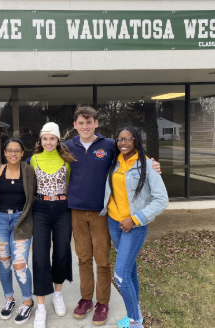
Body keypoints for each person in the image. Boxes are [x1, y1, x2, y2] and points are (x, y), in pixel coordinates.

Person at [64, 106, 161, 325]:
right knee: (83, 258)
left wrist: (152, 165)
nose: (85, 126)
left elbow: (132, 158)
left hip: (102, 212)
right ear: (75, 125)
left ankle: (103, 302)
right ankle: (86, 299)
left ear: (96, 124)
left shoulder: (109, 145)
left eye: (89, 122)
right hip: (77, 212)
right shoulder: (67, 147)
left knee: (103, 260)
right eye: (81, 123)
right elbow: (47, 159)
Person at [100, 127, 169, 328]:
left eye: (127, 139)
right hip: (114, 223)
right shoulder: (116, 162)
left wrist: (136, 219)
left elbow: (161, 200)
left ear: (136, 141)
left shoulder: (147, 166)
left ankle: (134, 322)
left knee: (120, 276)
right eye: (119, 139)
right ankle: (136, 310)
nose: (123, 143)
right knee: (130, 270)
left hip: (133, 227)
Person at [30, 122, 76, 328]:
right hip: (40, 209)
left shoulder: (67, 160)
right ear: (40, 140)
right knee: (40, 255)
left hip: (62, 209)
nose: (48, 142)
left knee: (61, 252)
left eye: (52, 138)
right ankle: (40, 305)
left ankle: (57, 294)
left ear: (58, 141)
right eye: (45, 138)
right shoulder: (33, 159)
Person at [0, 138, 36, 325]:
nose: (13, 154)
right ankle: (9, 299)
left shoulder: (28, 171)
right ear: (5, 153)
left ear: (22, 153)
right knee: (4, 262)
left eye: (17, 151)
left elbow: (34, 195)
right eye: (9, 150)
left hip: (21, 220)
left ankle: (27, 302)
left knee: (19, 264)